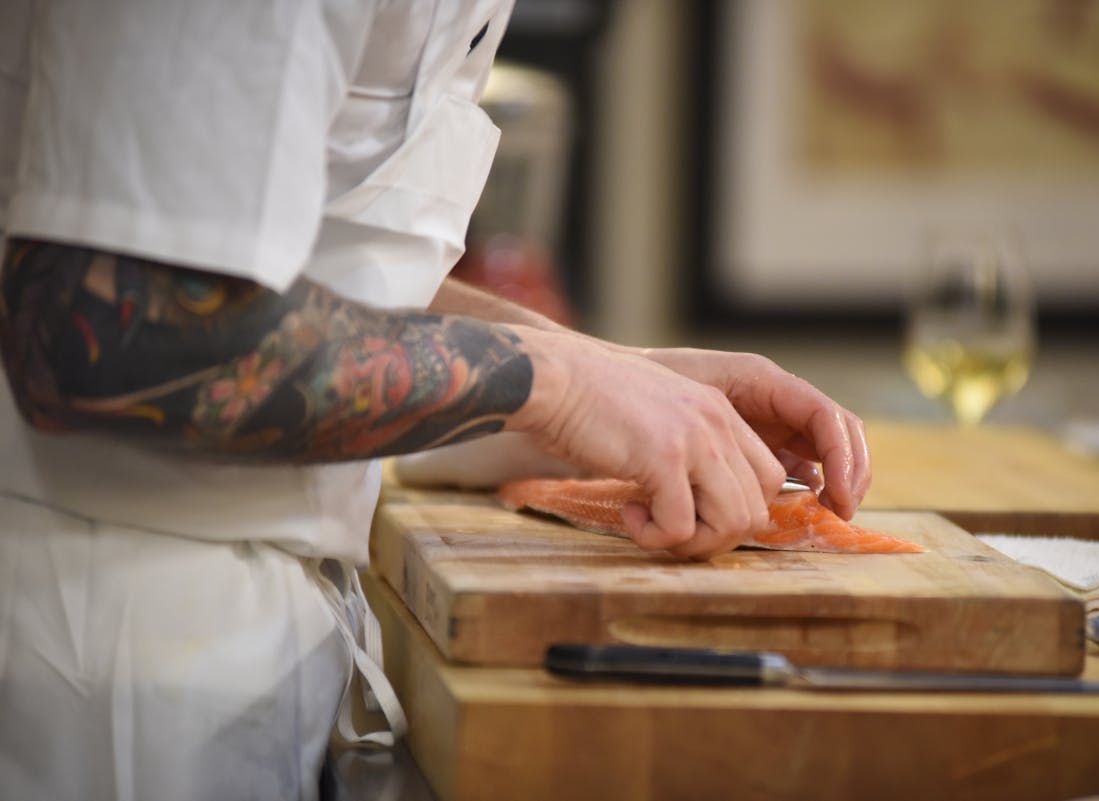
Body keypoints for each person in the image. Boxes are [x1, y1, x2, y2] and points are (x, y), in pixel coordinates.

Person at [0, 2, 871, 800]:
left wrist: (618, 378)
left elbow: (295, 279)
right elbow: (108, 327)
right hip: (98, 664)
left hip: (218, 640)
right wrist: (560, 386)